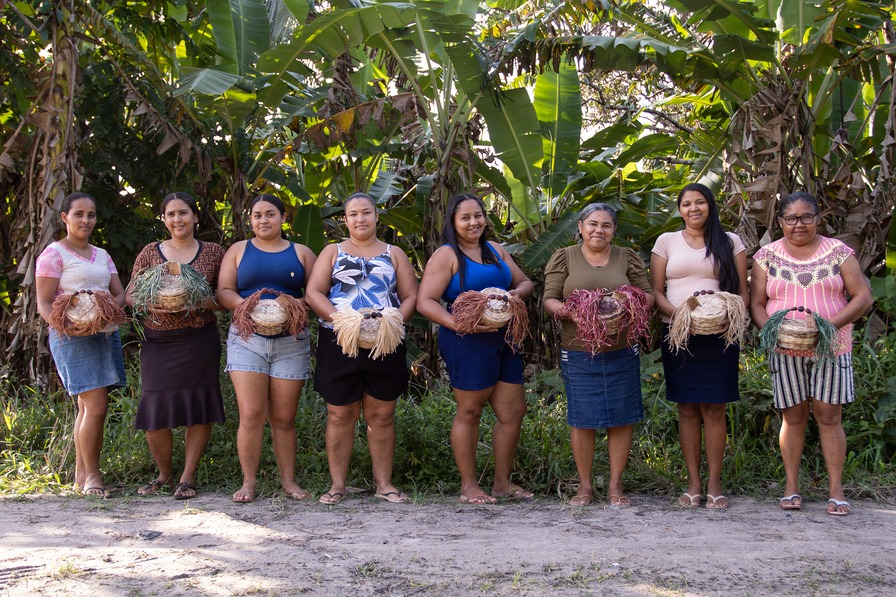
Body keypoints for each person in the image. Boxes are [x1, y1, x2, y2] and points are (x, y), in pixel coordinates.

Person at [750, 191, 872, 516]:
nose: (799, 224)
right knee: (792, 415)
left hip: (831, 346)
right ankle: (791, 486)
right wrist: (771, 330)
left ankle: (836, 490)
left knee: (829, 415)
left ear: (818, 219)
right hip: (784, 347)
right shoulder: (767, 256)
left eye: (806, 217)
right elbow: (757, 303)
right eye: (791, 218)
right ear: (780, 222)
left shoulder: (838, 252)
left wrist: (827, 327)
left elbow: (862, 297)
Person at [417, 193, 535, 504]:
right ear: (453, 223)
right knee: (470, 410)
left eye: (478, 215)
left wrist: (512, 294)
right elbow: (425, 301)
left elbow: (525, 283)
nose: (474, 222)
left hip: (505, 336)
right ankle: (469, 486)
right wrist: (457, 324)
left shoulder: (496, 250)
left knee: (513, 411)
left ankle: (501, 483)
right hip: (466, 339)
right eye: (465, 217)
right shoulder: (447, 255)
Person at [305, 192, 419, 505]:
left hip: (385, 341)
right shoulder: (332, 252)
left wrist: (392, 322)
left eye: (366, 212)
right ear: (345, 219)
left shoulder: (394, 253)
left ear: (377, 216)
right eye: (353, 214)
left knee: (381, 415)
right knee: (340, 414)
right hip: (340, 339)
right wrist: (343, 321)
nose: (360, 219)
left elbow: (411, 297)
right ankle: (337, 484)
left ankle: (384, 484)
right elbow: (314, 293)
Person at [543, 203, 655, 507]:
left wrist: (625, 301)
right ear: (580, 227)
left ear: (614, 230)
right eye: (592, 224)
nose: (599, 230)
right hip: (578, 350)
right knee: (583, 418)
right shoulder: (565, 256)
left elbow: (648, 295)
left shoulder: (626, 257)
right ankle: (585, 487)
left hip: (621, 348)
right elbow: (549, 299)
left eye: (606, 225)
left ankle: (616, 486)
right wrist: (576, 313)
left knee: (621, 417)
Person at [650, 184, 749, 510]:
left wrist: (729, 319)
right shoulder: (666, 242)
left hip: (720, 333)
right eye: (687, 204)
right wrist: (680, 316)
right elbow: (657, 292)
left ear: (710, 206)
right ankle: (693, 483)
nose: (694, 209)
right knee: (688, 407)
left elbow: (742, 292)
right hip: (678, 333)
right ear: (680, 209)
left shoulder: (730, 241)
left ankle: (715, 484)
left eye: (700, 202)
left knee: (715, 407)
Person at [217, 194, 317, 503]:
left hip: (291, 340)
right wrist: (250, 307)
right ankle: (249, 483)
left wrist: (290, 307)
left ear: (284, 217)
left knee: (284, 418)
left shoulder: (301, 253)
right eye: (257, 215)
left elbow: (316, 295)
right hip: (247, 340)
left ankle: (289, 482)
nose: (263, 220)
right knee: (251, 414)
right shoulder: (238, 251)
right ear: (251, 219)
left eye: (270, 214)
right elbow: (223, 292)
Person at [127, 193, 225, 500]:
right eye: (170, 214)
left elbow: (223, 299)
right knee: (155, 408)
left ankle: (187, 476)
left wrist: (194, 299)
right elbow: (131, 295)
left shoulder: (213, 252)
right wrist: (156, 302)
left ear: (195, 217)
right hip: (158, 341)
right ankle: (163, 474)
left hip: (198, 339)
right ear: (164, 220)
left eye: (183, 213)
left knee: (199, 406)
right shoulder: (150, 253)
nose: (177, 219)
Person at [35, 192, 127, 497]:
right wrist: (69, 326)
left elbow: (120, 293)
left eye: (91, 215)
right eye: (79, 214)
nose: (85, 220)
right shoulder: (54, 254)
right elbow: (45, 303)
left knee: (86, 408)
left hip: (104, 333)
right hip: (72, 338)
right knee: (95, 407)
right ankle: (93, 479)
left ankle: (81, 475)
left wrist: (106, 310)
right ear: (65, 218)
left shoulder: (102, 255)